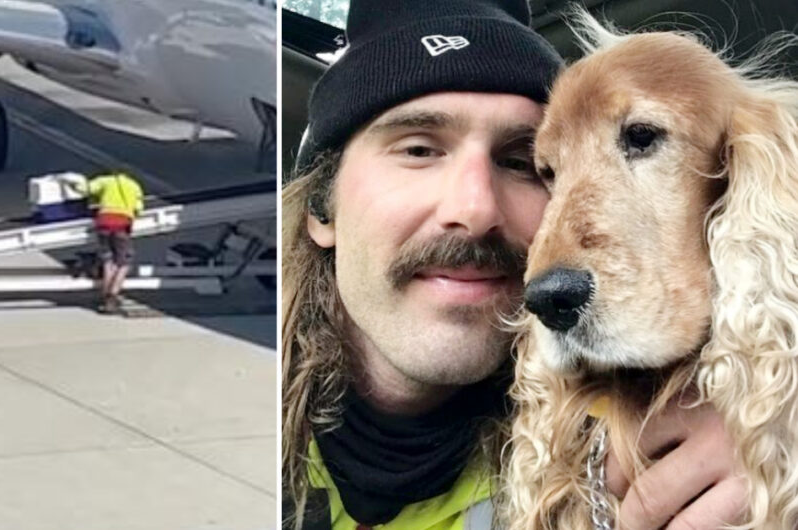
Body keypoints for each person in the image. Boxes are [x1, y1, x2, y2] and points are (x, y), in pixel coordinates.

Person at [282, 1, 747, 529]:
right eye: (419, 149)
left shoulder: (648, 432)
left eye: (523, 164)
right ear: (322, 208)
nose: (476, 209)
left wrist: (766, 430)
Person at [62, 170, 144, 314]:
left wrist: (70, 183)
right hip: (122, 225)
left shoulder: (105, 181)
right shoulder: (134, 185)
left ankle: (105, 295)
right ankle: (112, 295)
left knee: (108, 261)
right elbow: (139, 208)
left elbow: (85, 189)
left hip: (104, 223)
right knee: (123, 263)